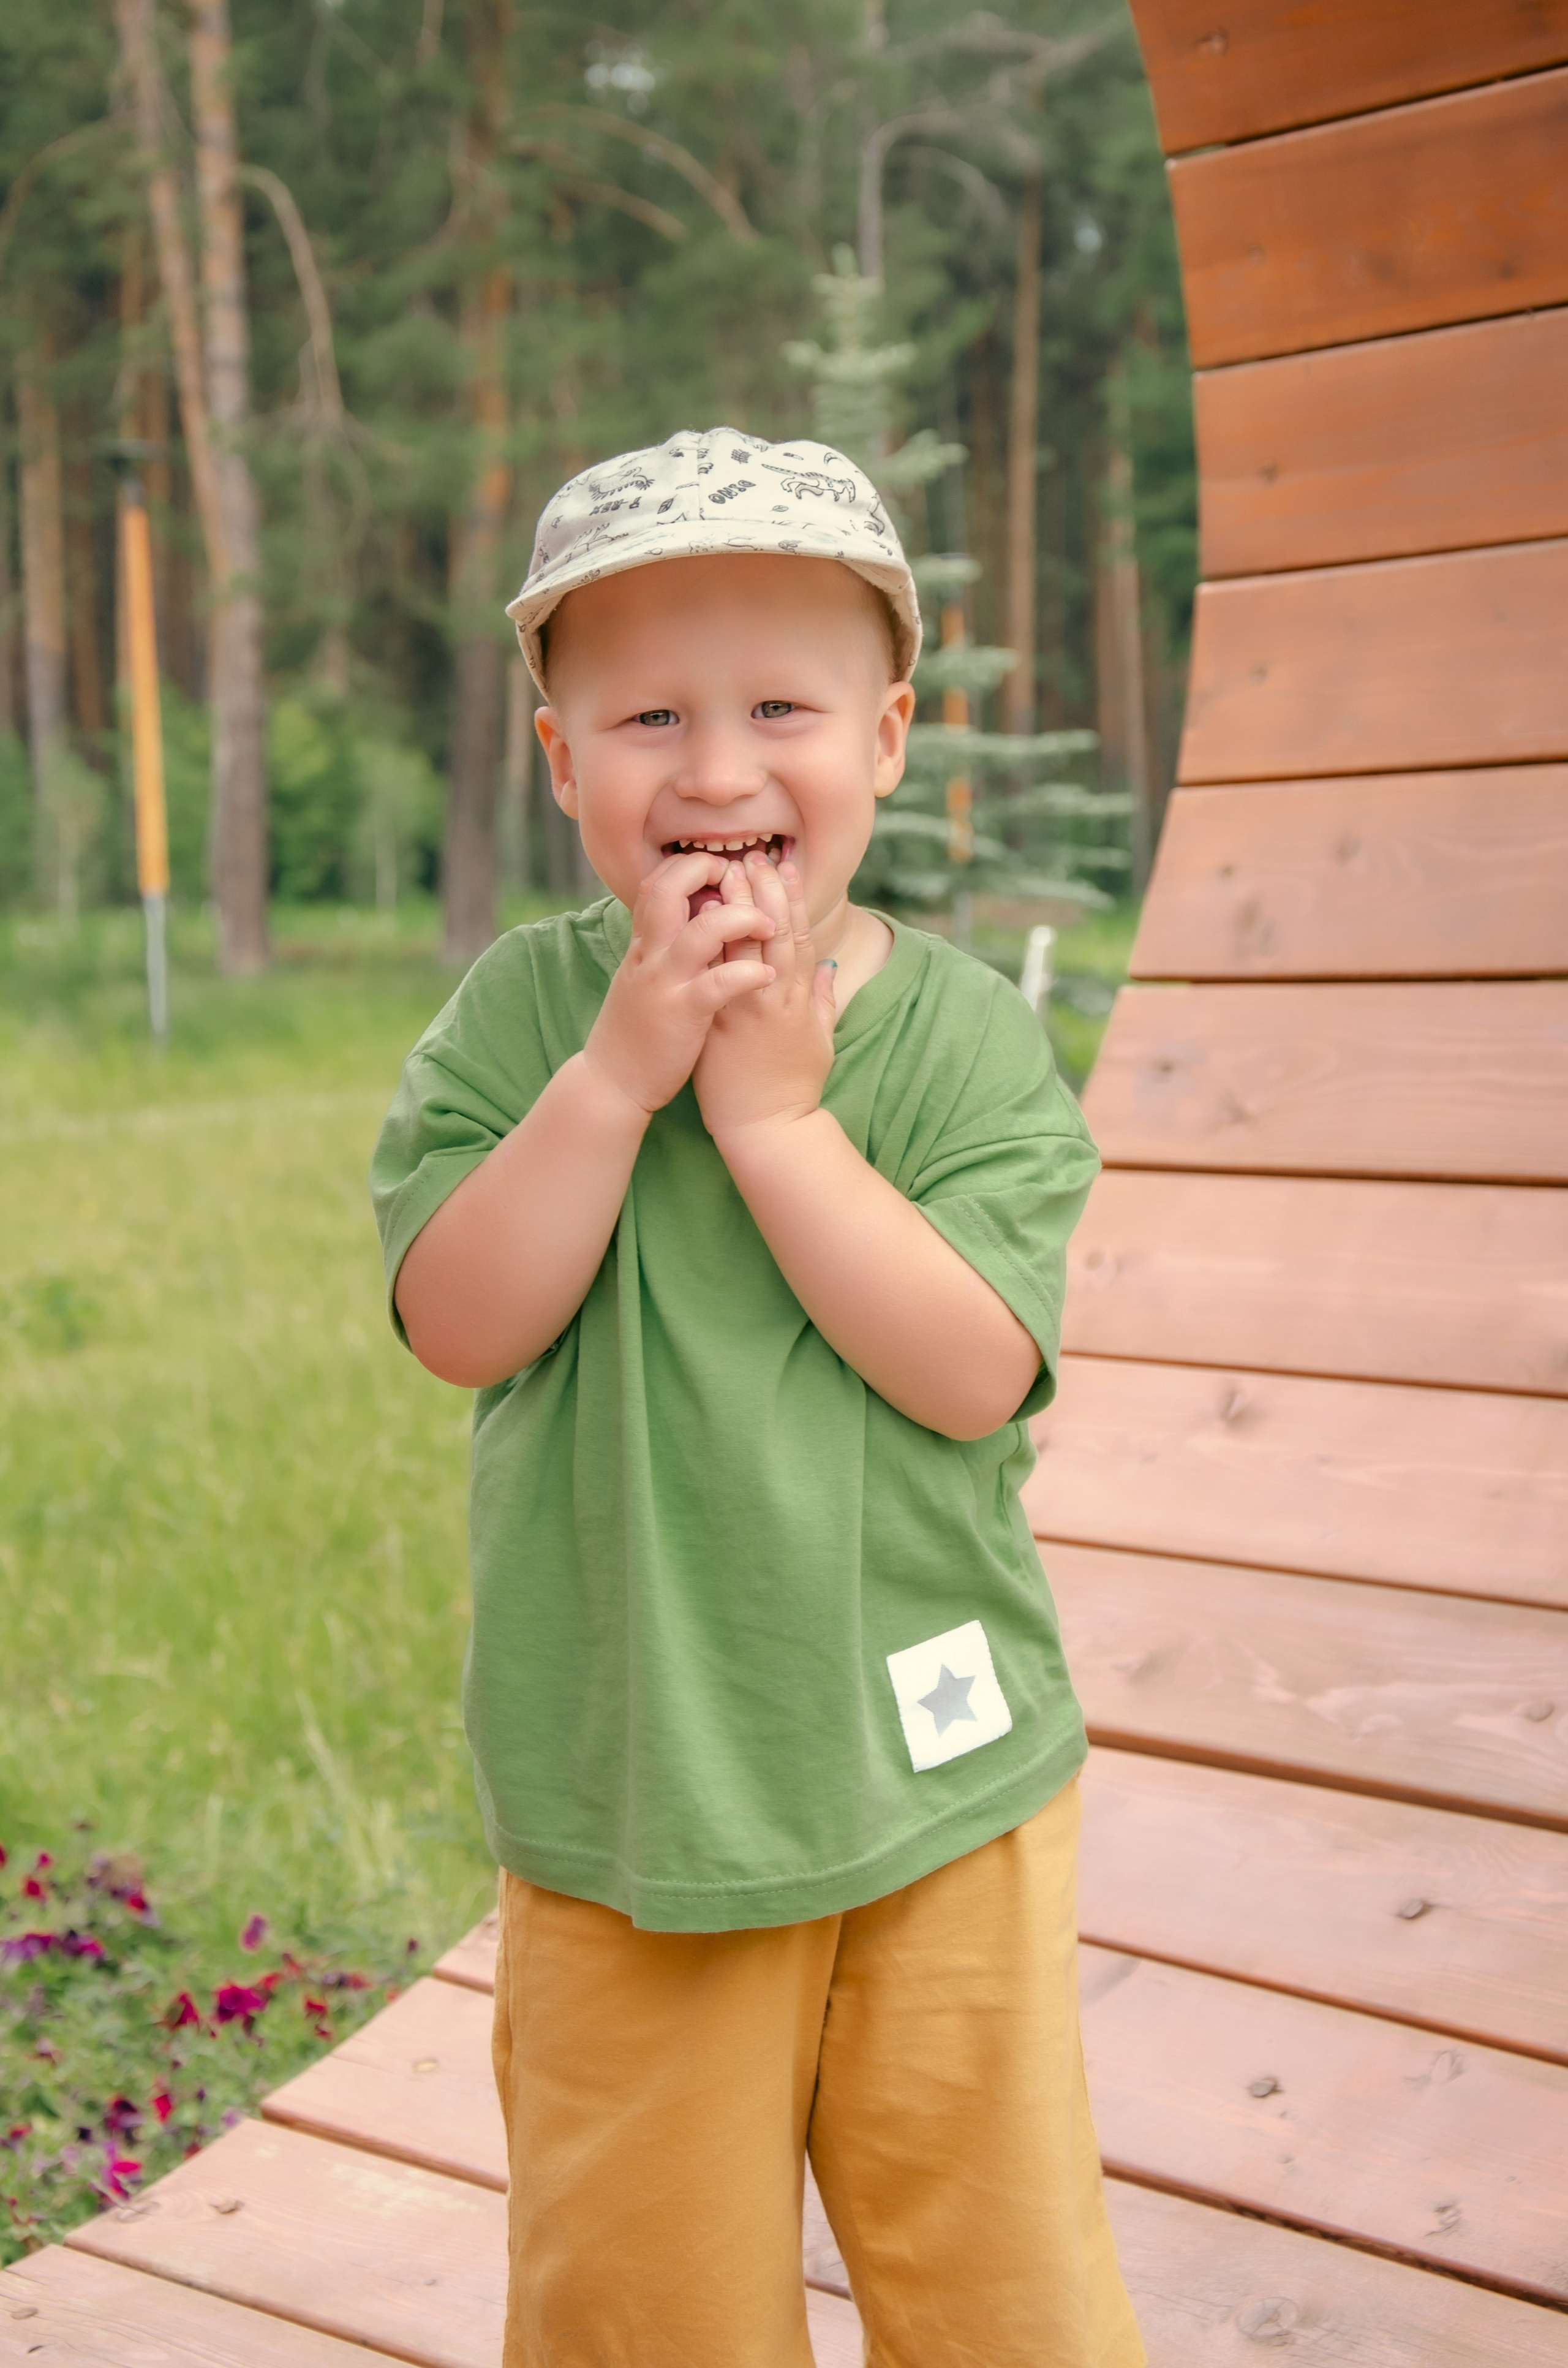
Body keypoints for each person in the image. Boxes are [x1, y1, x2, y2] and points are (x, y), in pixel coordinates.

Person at [371, 426, 1145, 2367]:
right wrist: (621, 1084)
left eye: (778, 706)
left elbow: (974, 1368)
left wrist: (778, 1123)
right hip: (633, 1807)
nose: (715, 770)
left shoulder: (961, 1038)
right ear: (563, 764)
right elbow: (460, 1318)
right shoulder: (523, 1027)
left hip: (940, 1782)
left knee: (998, 2286)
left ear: (886, 738)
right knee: (647, 2298)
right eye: (646, 716)